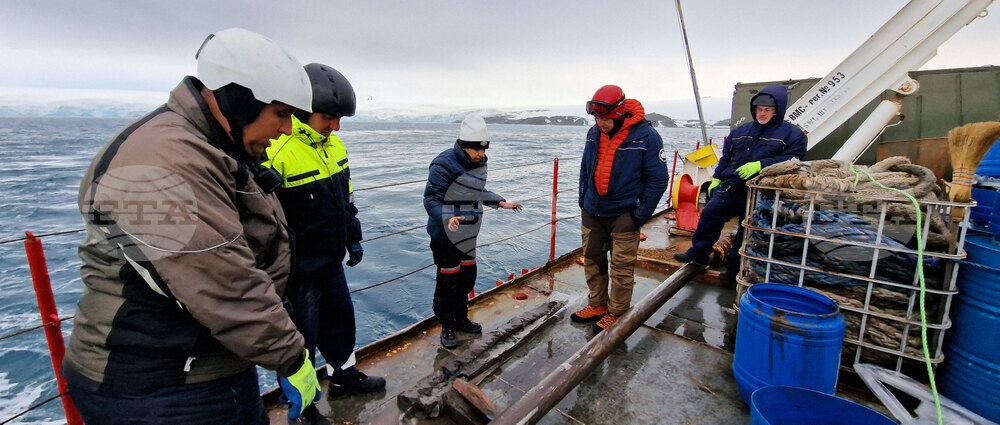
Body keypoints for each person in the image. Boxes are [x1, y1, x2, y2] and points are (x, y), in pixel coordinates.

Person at [63, 28, 327, 424]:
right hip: (159, 389)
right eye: (282, 113)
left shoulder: (210, 147)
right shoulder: (163, 163)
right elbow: (224, 283)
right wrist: (290, 357)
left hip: (207, 369)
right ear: (238, 100)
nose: (288, 129)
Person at [263, 63, 385, 399]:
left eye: (340, 117)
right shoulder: (276, 153)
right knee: (299, 341)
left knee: (340, 322)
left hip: (330, 261)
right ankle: (302, 406)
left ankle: (344, 377)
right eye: (328, 117)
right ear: (303, 111)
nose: (336, 126)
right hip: (297, 272)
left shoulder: (336, 148)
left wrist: (353, 237)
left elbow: (347, 201)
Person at [673, 84, 807, 279]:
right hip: (732, 185)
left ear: (777, 111)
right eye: (759, 109)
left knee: (748, 229)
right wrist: (717, 178)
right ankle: (699, 254)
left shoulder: (792, 134)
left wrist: (760, 165)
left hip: (761, 190)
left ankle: (734, 268)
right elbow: (727, 157)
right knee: (710, 213)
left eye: (767, 110)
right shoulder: (740, 131)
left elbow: (793, 160)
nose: (762, 114)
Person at [572, 85, 670, 333]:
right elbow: (585, 170)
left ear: (618, 112)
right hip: (593, 211)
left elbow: (658, 179)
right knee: (593, 259)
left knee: (621, 267)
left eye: (605, 118)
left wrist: (639, 215)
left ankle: (617, 311)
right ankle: (597, 304)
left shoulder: (647, 136)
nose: (600, 123)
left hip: (625, 214)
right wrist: (584, 201)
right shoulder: (593, 133)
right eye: (596, 118)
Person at [423, 113, 521, 349]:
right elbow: (431, 199)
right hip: (446, 236)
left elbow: (478, 191)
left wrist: (500, 202)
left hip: (468, 234)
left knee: (466, 278)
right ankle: (447, 324)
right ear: (464, 145)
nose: (481, 154)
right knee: (447, 281)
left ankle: (461, 318)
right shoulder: (443, 164)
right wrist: (448, 218)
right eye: (477, 149)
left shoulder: (480, 162)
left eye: (484, 149)